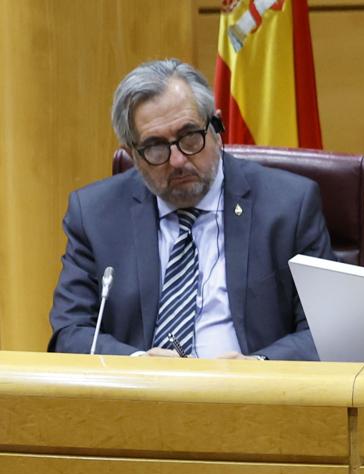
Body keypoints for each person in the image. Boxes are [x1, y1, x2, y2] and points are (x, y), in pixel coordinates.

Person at [48, 59, 333, 360]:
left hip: (252, 398)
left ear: (216, 127)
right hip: (141, 400)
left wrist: (259, 367)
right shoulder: (95, 215)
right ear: (132, 154)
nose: (178, 161)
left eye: (189, 137)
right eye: (156, 147)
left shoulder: (289, 205)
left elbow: (325, 331)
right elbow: (70, 331)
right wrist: (138, 365)